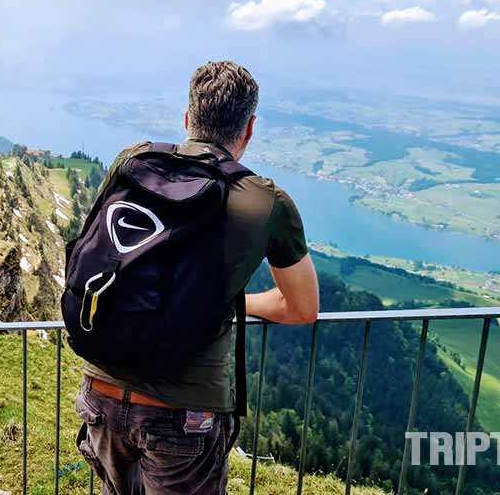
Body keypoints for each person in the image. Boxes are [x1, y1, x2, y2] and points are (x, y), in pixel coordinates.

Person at [74, 60, 319, 494]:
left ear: (189, 118)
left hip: (101, 392)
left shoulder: (133, 161)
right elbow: (301, 308)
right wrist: (225, 300)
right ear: (249, 129)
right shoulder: (265, 202)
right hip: (184, 410)